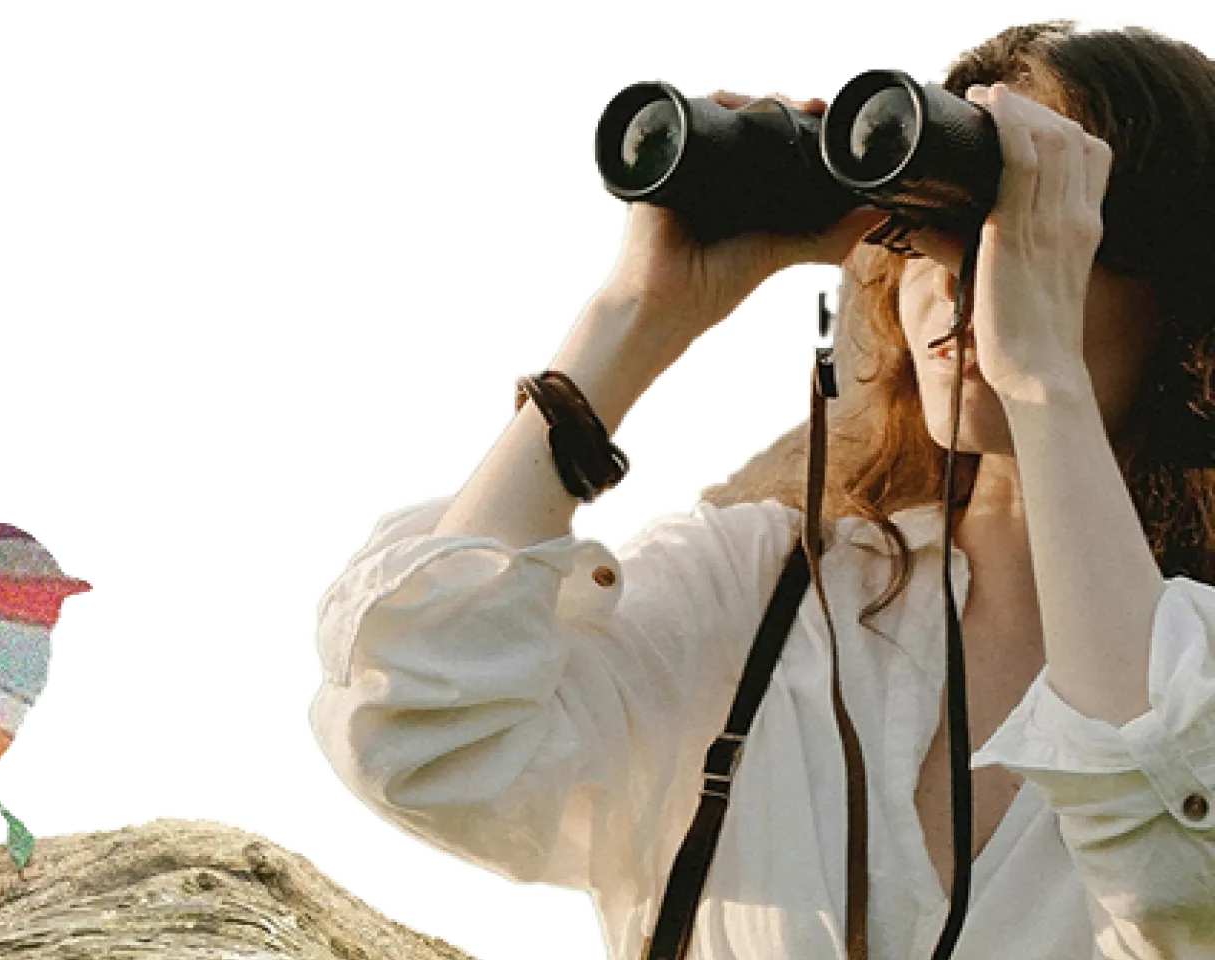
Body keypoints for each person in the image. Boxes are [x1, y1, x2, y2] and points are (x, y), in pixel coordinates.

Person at [306, 16, 1212, 959]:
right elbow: (416, 728)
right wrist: (637, 314)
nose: (957, 279)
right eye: (931, 229)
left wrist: (1044, 382)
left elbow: (1176, 887)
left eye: (1029, 233)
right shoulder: (770, 593)